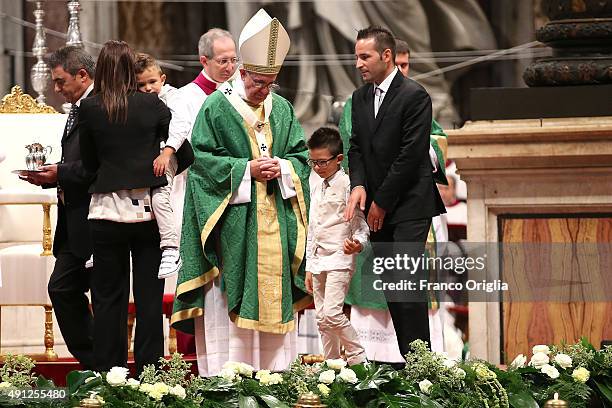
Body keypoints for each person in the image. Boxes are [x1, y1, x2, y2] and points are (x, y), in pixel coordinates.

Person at [172, 9, 311, 375]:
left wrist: (282, 167)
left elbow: (301, 158)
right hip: (233, 225)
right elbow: (200, 161)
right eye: (258, 82)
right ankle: (227, 382)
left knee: (276, 311)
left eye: (270, 83)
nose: (264, 90)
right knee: (228, 316)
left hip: (275, 225)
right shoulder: (216, 107)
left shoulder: (281, 108)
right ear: (241, 72)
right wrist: (245, 170)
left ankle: (278, 380)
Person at [345, 26, 446, 360]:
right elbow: (356, 148)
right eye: (357, 56)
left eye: (365, 56)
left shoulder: (414, 95)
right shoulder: (359, 98)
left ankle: (423, 366)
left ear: (386, 56)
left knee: (407, 287)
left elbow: (410, 154)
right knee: (392, 286)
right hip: (377, 204)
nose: (358, 63)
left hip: (409, 205)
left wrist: (380, 203)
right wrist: (358, 185)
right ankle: (409, 361)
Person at [79, 40, 169, 373]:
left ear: (100, 70)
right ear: (131, 69)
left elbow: (88, 163)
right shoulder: (152, 105)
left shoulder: (89, 108)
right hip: (148, 214)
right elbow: (181, 153)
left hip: (106, 213)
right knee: (148, 301)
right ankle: (150, 376)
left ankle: (108, 374)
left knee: (107, 299)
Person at [164, 28, 238, 355]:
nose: (230, 67)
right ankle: (192, 361)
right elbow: (180, 150)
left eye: (234, 60)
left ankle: (233, 357)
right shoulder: (185, 98)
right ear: (203, 60)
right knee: (197, 281)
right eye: (223, 61)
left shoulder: (243, 95)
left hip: (237, 199)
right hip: (196, 200)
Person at [21, 46, 96, 369]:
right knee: (63, 287)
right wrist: (52, 175)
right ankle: (97, 361)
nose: (56, 88)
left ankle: (103, 363)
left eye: (60, 80)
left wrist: (60, 172)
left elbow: (100, 166)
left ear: (82, 74)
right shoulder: (79, 107)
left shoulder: (98, 107)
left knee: (77, 290)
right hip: (75, 218)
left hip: (96, 217)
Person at [304, 127, 368, 366]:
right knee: (321, 318)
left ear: (338, 159)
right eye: (313, 162)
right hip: (319, 259)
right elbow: (313, 229)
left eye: (322, 162)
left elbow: (361, 224)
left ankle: (358, 357)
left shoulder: (349, 184)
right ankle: (331, 366)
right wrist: (309, 266)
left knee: (332, 313)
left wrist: (358, 244)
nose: (317, 167)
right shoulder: (317, 184)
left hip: (340, 257)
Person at [135, 53, 193, 279]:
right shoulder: (137, 100)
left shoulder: (173, 97)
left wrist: (167, 152)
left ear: (163, 78)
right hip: (146, 154)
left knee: (160, 195)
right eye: (141, 85)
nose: (148, 88)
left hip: (168, 152)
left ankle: (170, 248)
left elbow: (180, 125)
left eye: (152, 82)